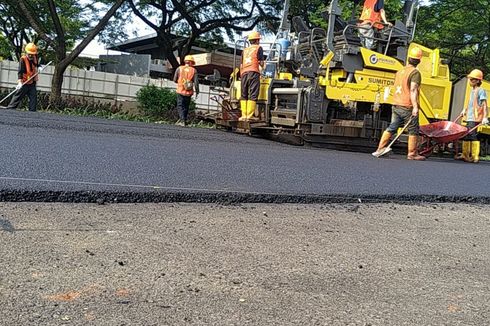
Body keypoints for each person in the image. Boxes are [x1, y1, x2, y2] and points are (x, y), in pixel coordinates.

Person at [372, 46, 426, 160]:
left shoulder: (400, 71)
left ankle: (380, 148)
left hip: (396, 104)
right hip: (407, 106)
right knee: (413, 129)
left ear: (409, 58)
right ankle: (412, 154)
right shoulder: (415, 73)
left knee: (392, 127)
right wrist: (415, 107)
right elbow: (413, 89)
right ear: (419, 61)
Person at [459, 69, 488, 163]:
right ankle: (465, 154)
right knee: (467, 135)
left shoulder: (481, 90)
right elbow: (471, 103)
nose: (470, 81)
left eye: (472, 79)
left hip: (475, 117)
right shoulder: (472, 91)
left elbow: (484, 104)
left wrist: (485, 117)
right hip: (470, 117)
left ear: (478, 81)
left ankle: (475, 156)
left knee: (472, 135)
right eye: (470, 79)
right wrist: (465, 110)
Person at [6, 43, 39, 112]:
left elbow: (36, 65)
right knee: (17, 97)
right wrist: (20, 82)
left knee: (34, 99)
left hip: (32, 83)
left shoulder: (35, 57)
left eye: (32, 54)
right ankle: (9, 110)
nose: (31, 55)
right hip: (24, 82)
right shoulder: (23, 59)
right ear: (26, 52)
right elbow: (20, 72)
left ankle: (32, 113)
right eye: (29, 54)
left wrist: (40, 67)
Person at [239, 31, 264, 121]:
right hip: (253, 72)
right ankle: (249, 116)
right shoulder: (258, 48)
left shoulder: (244, 50)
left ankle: (243, 115)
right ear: (257, 40)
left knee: (244, 93)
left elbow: (241, 65)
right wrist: (263, 67)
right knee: (253, 93)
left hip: (244, 73)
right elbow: (261, 62)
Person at [173, 55, 199, 126]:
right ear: (191, 62)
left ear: (185, 61)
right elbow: (196, 83)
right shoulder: (194, 70)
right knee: (186, 106)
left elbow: (175, 80)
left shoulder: (179, 68)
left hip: (180, 91)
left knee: (180, 106)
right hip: (189, 92)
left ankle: (182, 121)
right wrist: (197, 91)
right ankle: (184, 120)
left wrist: (180, 82)